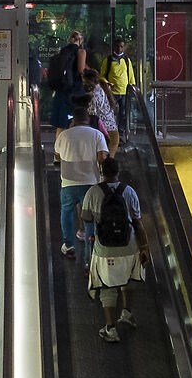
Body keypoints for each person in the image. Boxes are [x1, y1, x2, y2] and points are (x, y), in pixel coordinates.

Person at [76, 153, 149, 344]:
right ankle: (127, 313)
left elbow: (86, 218)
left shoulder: (93, 192)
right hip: (130, 245)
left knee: (107, 287)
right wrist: (144, 248)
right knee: (129, 279)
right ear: (118, 172)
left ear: (101, 172)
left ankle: (110, 329)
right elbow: (138, 222)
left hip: (105, 248)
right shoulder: (129, 191)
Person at [52, 98, 107, 262]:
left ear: (73, 120)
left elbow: (57, 155)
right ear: (88, 119)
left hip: (68, 182)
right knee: (89, 215)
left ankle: (68, 245)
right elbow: (102, 156)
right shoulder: (97, 134)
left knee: (67, 212)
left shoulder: (64, 135)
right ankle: (90, 248)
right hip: (91, 182)